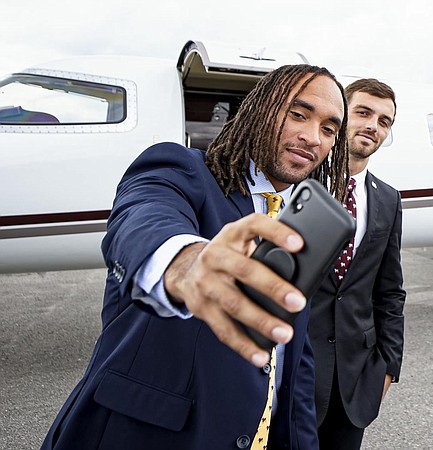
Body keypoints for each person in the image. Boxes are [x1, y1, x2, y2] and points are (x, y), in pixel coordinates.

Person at [41, 64, 350, 450]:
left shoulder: (299, 226)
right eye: (298, 114)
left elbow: (294, 358)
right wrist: (187, 262)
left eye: (328, 129)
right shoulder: (184, 169)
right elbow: (145, 218)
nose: (311, 137)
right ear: (260, 109)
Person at [310, 78, 405, 449]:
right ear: (341, 115)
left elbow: (390, 290)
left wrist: (388, 368)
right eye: (364, 113)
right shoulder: (299, 184)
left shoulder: (388, 199)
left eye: (384, 121)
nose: (373, 126)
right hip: (295, 372)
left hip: (355, 382)